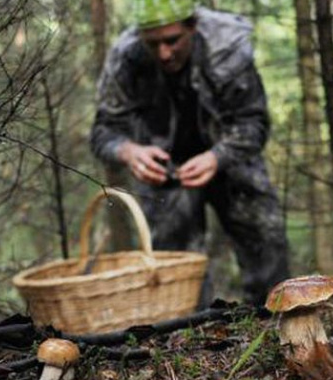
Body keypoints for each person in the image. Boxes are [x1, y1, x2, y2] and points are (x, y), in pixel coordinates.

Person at [90, 0, 289, 310]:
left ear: (192, 26)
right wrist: (129, 152)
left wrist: (217, 157)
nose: (163, 53)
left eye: (172, 40)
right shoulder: (125, 58)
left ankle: (278, 321)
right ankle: (189, 340)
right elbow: (103, 133)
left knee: (265, 239)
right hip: (166, 172)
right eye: (152, 43)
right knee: (175, 274)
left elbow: (255, 123)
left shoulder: (227, 46)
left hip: (231, 158)